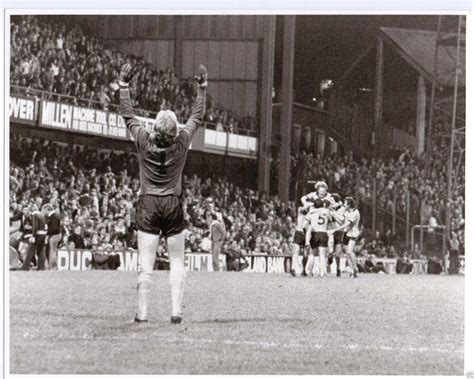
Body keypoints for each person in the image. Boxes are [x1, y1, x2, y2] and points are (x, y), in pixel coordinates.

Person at [119, 62, 208, 324]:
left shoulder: (144, 141)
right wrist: (202, 88)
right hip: (172, 202)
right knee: (177, 260)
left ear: (155, 128)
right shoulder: (181, 142)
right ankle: (176, 311)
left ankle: (143, 313)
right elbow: (196, 117)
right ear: (173, 130)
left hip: (148, 202)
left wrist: (124, 86)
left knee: (145, 263)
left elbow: (128, 115)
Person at [303, 198, 333, 277]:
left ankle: (308, 271)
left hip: (314, 233)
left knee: (312, 253)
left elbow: (305, 224)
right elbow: (330, 219)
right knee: (322, 255)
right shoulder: (326, 211)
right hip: (323, 232)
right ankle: (322, 273)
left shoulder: (311, 213)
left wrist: (308, 230)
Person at [45, 204, 61, 269]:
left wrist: (47, 232)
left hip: (54, 236)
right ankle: (54, 266)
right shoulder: (55, 216)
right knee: (53, 251)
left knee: (52, 251)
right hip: (57, 235)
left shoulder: (53, 217)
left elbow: (54, 228)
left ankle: (53, 266)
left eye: (45, 210)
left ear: (48, 210)